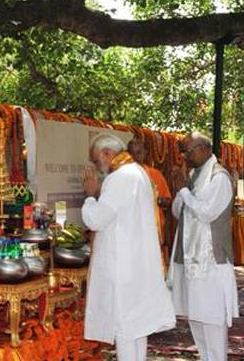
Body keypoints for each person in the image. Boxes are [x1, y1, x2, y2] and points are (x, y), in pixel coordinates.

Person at [81, 133, 175, 361]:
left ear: (106, 153)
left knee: (124, 327)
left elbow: (96, 220)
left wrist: (90, 196)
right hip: (135, 263)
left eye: (96, 160)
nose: (97, 166)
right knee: (136, 328)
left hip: (122, 266)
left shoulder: (120, 177)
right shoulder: (138, 173)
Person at [168, 132, 239, 361]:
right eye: (183, 152)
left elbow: (207, 212)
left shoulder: (219, 177)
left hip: (210, 262)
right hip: (190, 260)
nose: (185, 157)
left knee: (212, 321)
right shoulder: (193, 175)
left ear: (204, 148)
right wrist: (181, 189)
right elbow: (177, 212)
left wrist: (185, 191)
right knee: (196, 319)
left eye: (187, 151)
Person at [127, 135, 172, 264]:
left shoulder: (155, 174)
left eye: (139, 152)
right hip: (131, 230)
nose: (135, 157)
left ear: (145, 153)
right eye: (131, 153)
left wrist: (154, 200)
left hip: (153, 230)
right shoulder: (121, 176)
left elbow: (168, 202)